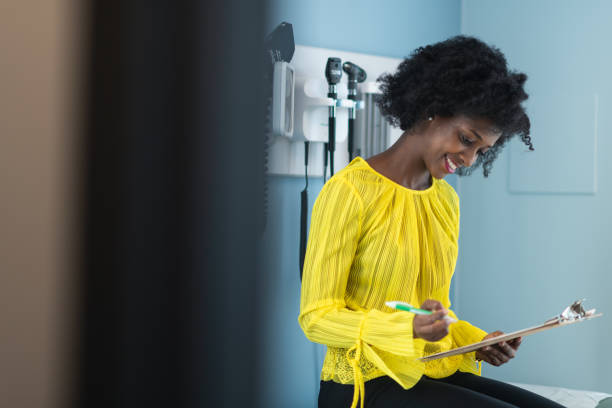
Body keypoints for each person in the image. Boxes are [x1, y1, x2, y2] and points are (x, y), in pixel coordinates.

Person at [298, 36, 563, 408]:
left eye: (481, 151)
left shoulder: (444, 200)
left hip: (431, 366)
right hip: (367, 382)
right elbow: (316, 317)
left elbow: (432, 309)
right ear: (431, 110)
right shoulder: (349, 192)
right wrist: (406, 328)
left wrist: (477, 341)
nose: (469, 159)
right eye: (466, 139)